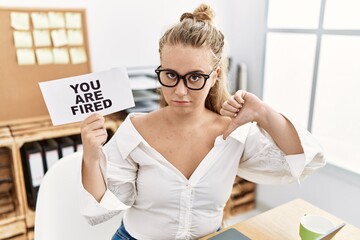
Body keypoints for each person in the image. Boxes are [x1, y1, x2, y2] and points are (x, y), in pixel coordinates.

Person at [79, 4, 325, 240]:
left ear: (215, 76)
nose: (180, 91)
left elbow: (304, 160)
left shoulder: (235, 132)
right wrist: (91, 156)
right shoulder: (135, 131)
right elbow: (103, 209)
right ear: (161, 69)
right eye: (170, 75)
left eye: (195, 77)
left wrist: (262, 112)